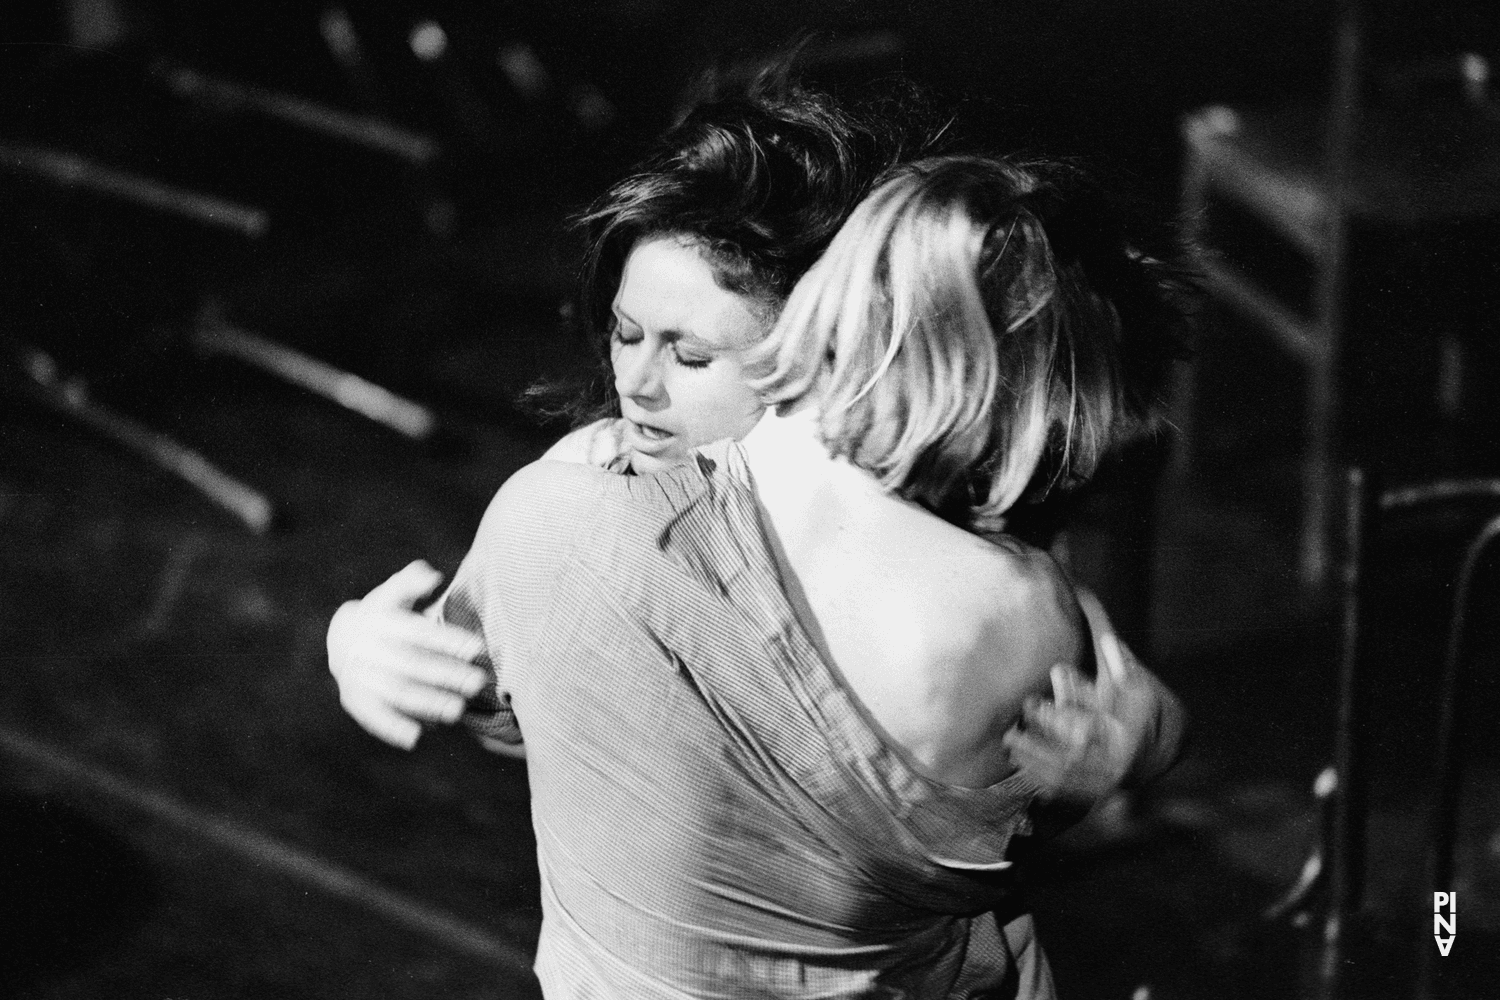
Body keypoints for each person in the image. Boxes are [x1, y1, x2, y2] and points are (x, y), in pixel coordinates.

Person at [420, 153, 1188, 996]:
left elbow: (507, 712)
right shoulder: (1014, 612)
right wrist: (1142, 739)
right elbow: (1036, 813)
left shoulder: (560, 502)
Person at [328, 75, 1182, 807]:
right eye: (626, 334)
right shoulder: (591, 487)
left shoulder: (954, 551)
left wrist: (1137, 742)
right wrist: (359, 645)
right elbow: (493, 693)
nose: (636, 383)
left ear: (822, 351)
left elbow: (1117, 694)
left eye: (692, 355)